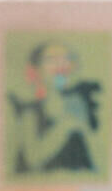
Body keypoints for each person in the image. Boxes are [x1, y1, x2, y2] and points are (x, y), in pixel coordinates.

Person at [7, 41, 102, 175]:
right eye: (51, 60)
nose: (60, 65)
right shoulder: (30, 111)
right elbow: (32, 159)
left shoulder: (78, 104)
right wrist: (66, 125)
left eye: (66, 59)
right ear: (36, 70)